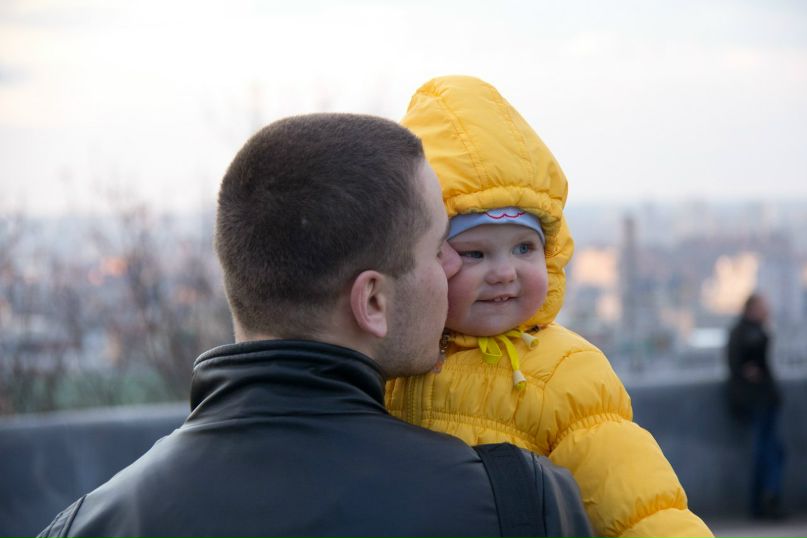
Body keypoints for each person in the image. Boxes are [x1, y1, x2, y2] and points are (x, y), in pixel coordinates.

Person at [37, 113, 592, 537]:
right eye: (437, 249)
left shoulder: (86, 525)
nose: (451, 269)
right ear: (372, 300)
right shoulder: (517, 504)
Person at [386, 76, 714, 538]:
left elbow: (641, 508)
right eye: (475, 254)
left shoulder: (564, 371)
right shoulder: (394, 357)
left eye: (524, 248)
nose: (505, 272)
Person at [727, 293, 785, 519]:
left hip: (761, 402)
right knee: (767, 453)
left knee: (768, 452)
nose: (766, 311)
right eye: (763, 307)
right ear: (751, 309)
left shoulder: (744, 331)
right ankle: (767, 499)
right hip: (758, 402)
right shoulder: (750, 333)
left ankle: (760, 503)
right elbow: (741, 365)